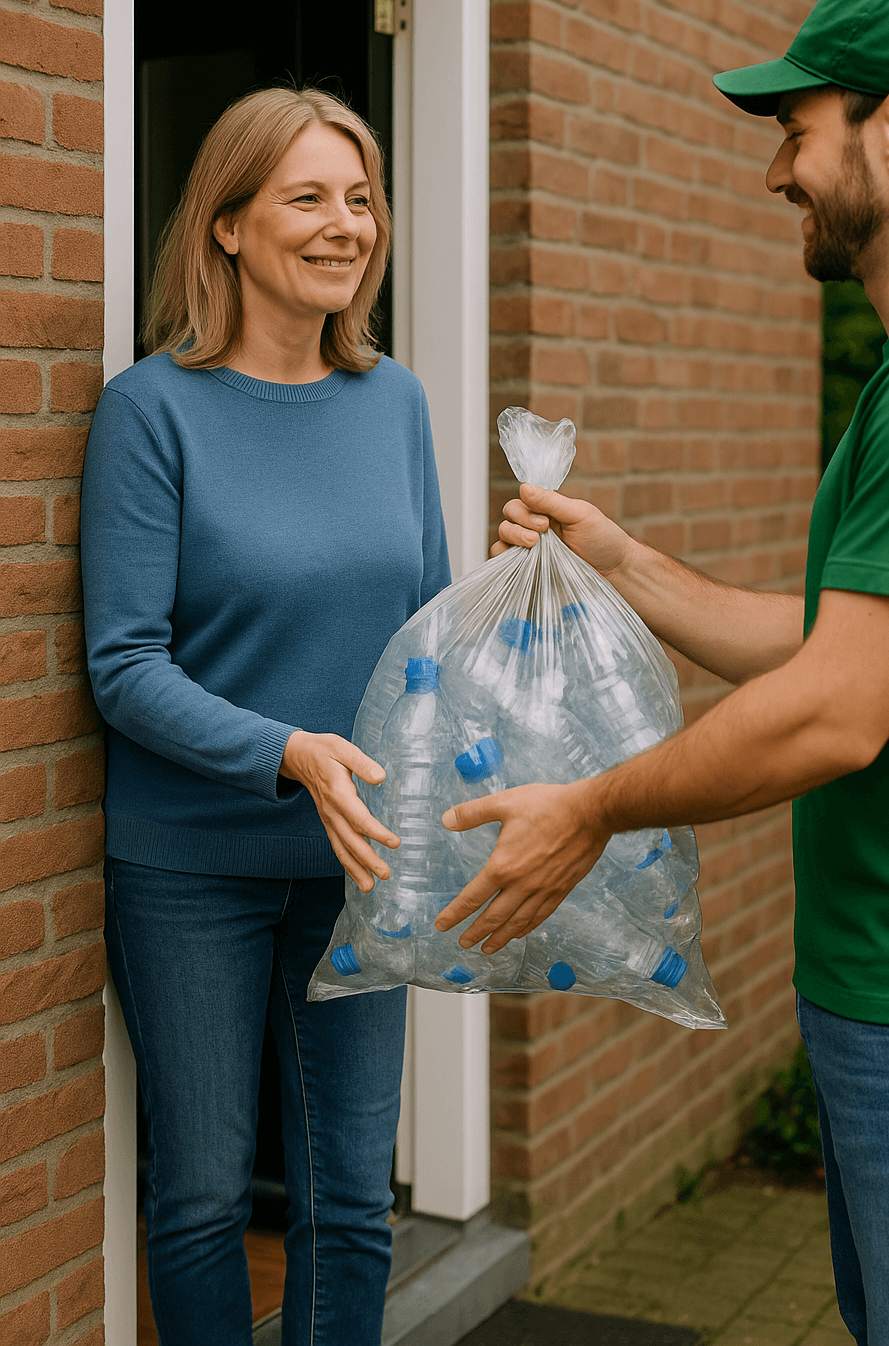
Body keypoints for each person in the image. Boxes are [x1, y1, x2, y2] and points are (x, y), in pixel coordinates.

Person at [435, 0, 889, 1344]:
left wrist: (585, 811)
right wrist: (621, 561)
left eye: (794, 130)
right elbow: (840, 642)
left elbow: (833, 714)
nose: (775, 172)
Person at [81, 87, 450, 1346]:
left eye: (360, 199)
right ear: (227, 225)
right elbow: (124, 665)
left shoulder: (393, 402)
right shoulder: (151, 411)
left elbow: (427, 636)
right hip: (190, 868)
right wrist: (284, 752)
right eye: (309, 197)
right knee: (197, 1199)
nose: (346, 225)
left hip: (360, 867)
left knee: (351, 1204)